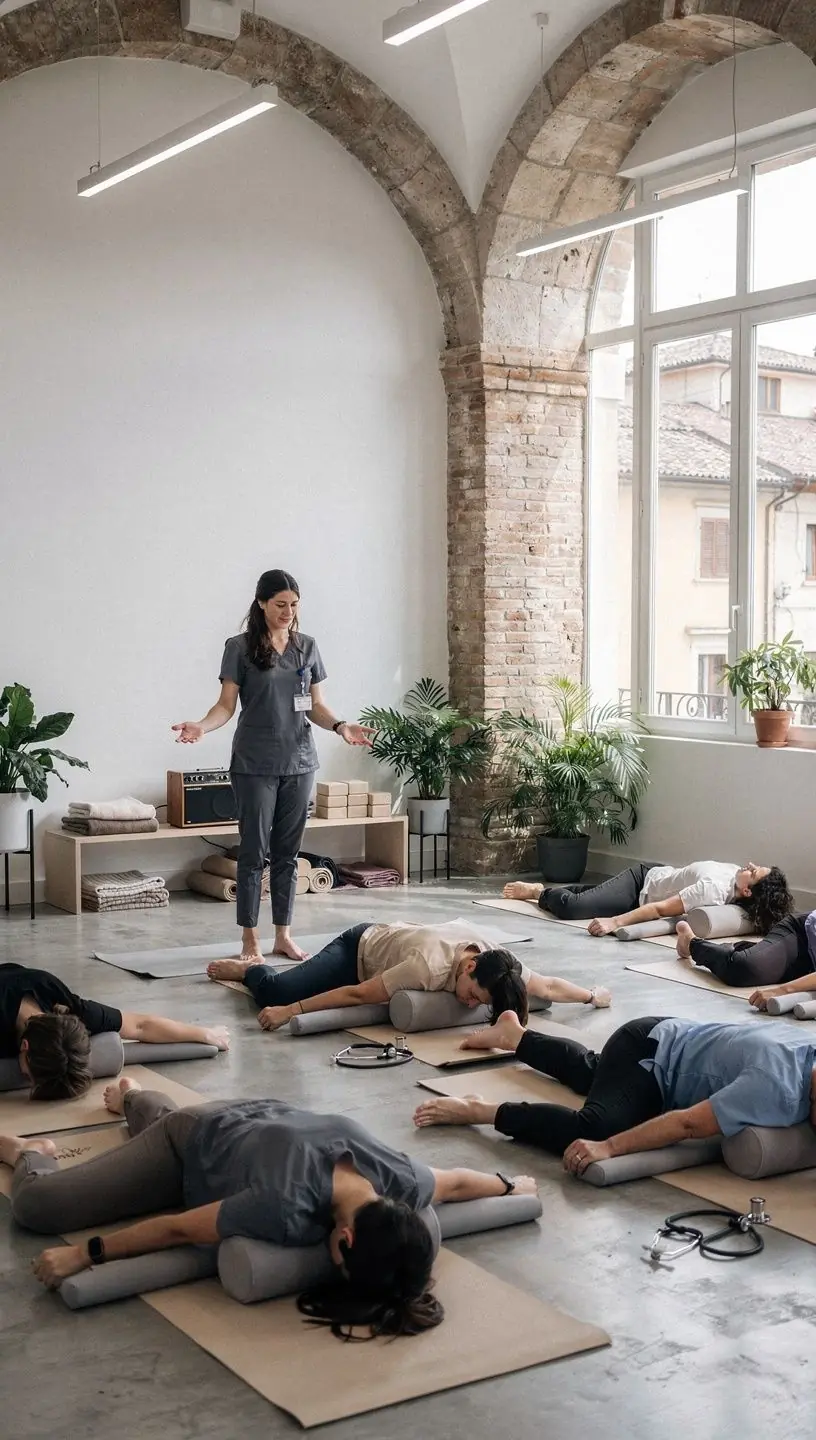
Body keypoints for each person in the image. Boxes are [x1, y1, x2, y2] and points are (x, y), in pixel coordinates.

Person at [3, 1076, 537, 1340]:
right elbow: (174, 1231)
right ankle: (27, 1152)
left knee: (159, 1117)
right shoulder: (282, 1206)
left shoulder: (399, 1181)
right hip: (190, 1144)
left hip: (253, 1126)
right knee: (39, 1206)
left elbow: (455, 1185)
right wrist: (85, 1253)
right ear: (344, 1242)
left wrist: (509, 1184)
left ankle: (133, 1097)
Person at [172, 569, 371, 964]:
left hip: (299, 762)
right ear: (261, 603)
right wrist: (201, 726)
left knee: (288, 854)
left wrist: (341, 725)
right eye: (280, 604)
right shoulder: (239, 647)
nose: (288, 612)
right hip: (254, 762)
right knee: (253, 853)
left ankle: (283, 935)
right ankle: (249, 941)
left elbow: (315, 705)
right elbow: (225, 706)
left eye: (294, 605)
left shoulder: (307, 647)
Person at [413, 1009, 816, 1178]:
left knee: (595, 1075)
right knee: (595, 1124)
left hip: (664, 1036)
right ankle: (480, 1110)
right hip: (649, 1053)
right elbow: (689, 1124)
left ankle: (515, 1036)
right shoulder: (774, 1087)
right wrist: (608, 1147)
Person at [206, 919, 611, 1032]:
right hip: (360, 947)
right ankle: (252, 969)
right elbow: (358, 995)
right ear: (468, 967)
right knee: (276, 990)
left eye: (479, 1004)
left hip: (399, 944)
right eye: (472, 995)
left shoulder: (501, 968)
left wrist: (593, 996)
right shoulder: (427, 966)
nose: (469, 1004)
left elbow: (549, 986)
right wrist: (289, 1011)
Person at [0, 963, 229, 1101]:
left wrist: (205, 1034)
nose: (27, 1083)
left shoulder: (67, 1006)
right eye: (29, 1077)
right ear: (24, 1047)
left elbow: (140, 1025)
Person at [504, 860, 792, 938]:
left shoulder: (714, 890)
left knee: (585, 899)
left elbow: (660, 910)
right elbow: (656, 907)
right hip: (642, 880)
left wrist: (613, 921)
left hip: (645, 893)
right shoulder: (729, 877)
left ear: (748, 892)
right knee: (573, 908)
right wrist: (614, 921)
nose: (751, 864)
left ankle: (547, 891)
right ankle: (537, 892)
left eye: (755, 872)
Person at [675, 911, 813, 990]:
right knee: (742, 969)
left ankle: (750, 949)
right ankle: (690, 942)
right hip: (801, 936)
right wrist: (782, 991)